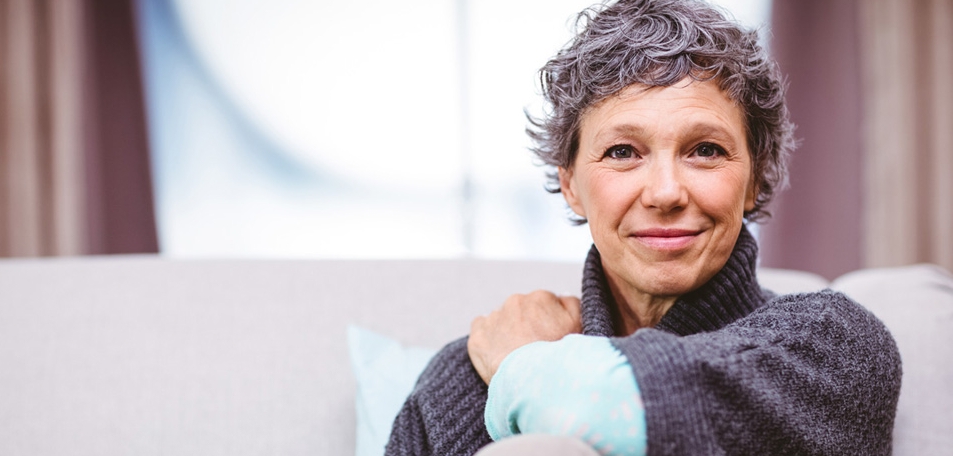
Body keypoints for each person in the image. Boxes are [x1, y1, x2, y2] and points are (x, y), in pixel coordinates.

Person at [385, 0, 901, 455]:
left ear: (754, 179)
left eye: (705, 150)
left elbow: (614, 408)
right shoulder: (459, 377)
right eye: (623, 152)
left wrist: (525, 365)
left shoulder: (833, 349)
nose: (665, 192)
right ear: (570, 185)